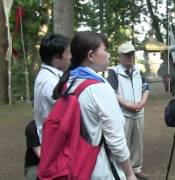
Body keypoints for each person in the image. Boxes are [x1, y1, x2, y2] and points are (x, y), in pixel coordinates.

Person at [52, 31, 136, 180]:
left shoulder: (69, 83)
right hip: (100, 168)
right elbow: (115, 139)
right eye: (105, 50)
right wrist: (130, 173)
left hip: (75, 163)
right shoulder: (99, 89)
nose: (109, 55)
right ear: (91, 55)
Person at [106, 41, 150, 180]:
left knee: (138, 143)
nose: (130, 57)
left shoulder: (138, 70)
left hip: (138, 113)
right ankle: (123, 170)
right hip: (123, 114)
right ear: (120, 56)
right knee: (122, 142)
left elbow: (146, 88)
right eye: (127, 55)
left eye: (132, 54)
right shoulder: (114, 72)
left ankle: (136, 168)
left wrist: (142, 102)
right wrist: (126, 104)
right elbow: (112, 92)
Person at [33, 34, 71, 142]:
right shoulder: (51, 83)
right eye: (67, 53)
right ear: (56, 58)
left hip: (52, 140)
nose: (70, 57)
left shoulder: (49, 76)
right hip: (56, 144)